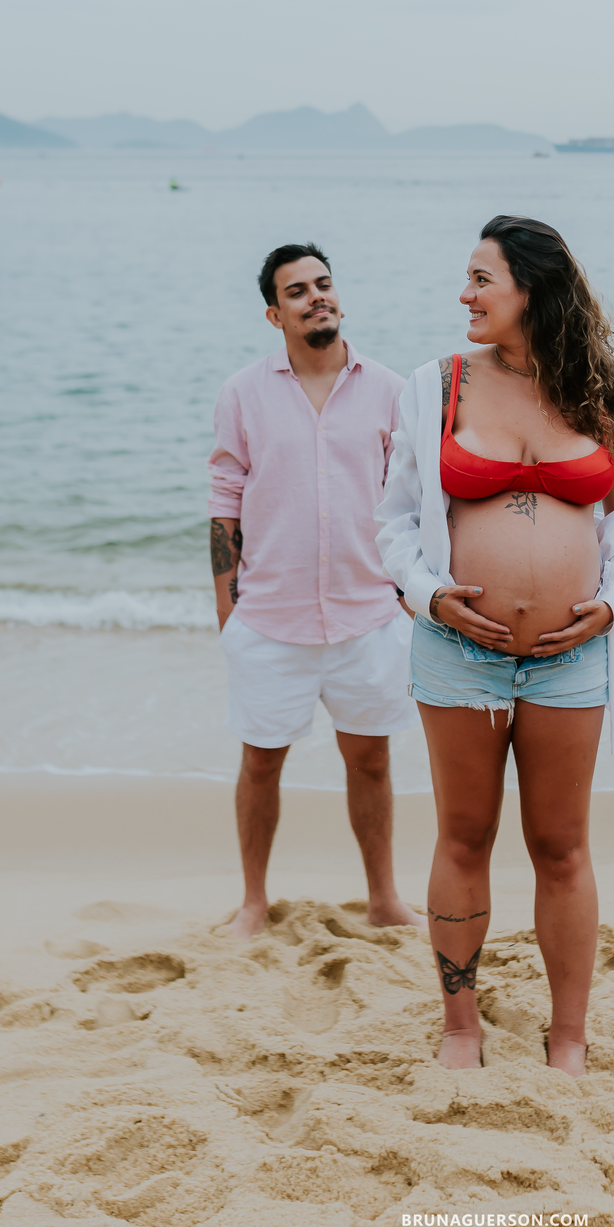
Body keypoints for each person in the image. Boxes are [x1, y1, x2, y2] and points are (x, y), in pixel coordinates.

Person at [376, 215, 614, 1075]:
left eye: (480, 279)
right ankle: (460, 1028)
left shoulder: (597, 396)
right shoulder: (436, 387)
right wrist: (430, 597)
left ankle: (567, 1036)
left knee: (562, 846)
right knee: (463, 837)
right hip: (457, 652)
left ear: (531, 289)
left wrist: (610, 608)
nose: (464, 295)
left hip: (572, 658)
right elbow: (391, 522)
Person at [208, 243, 423, 939]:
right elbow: (225, 498)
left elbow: (412, 500)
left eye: (324, 284)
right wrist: (226, 608)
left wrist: (407, 591)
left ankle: (385, 899)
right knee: (261, 762)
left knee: (370, 760)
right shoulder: (243, 393)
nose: (316, 297)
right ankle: (253, 902)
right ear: (275, 314)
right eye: (297, 291)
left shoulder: (391, 389)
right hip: (269, 618)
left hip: (369, 616)